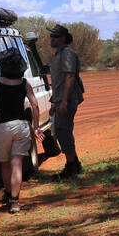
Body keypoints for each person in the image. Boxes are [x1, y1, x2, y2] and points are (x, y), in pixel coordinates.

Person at [0, 48, 41, 214]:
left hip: (2, 126)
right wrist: (36, 126)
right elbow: (35, 105)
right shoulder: (24, 83)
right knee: (17, 163)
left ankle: (8, 193)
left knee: (5, 164)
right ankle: (15, 202)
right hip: (21, 125)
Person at [47, 24, 83, 177]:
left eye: (54, 36)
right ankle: (74, 164)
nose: (51, 39)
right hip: (61, 99)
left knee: (63, 131)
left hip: (67, 100)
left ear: (62, 38)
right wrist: (55, 102)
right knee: (62, 131)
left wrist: (64, 102)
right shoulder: (59, 54)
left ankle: (71, 167)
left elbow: (69, 77)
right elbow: (59, 81)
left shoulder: (67, 53)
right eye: (51, 36)